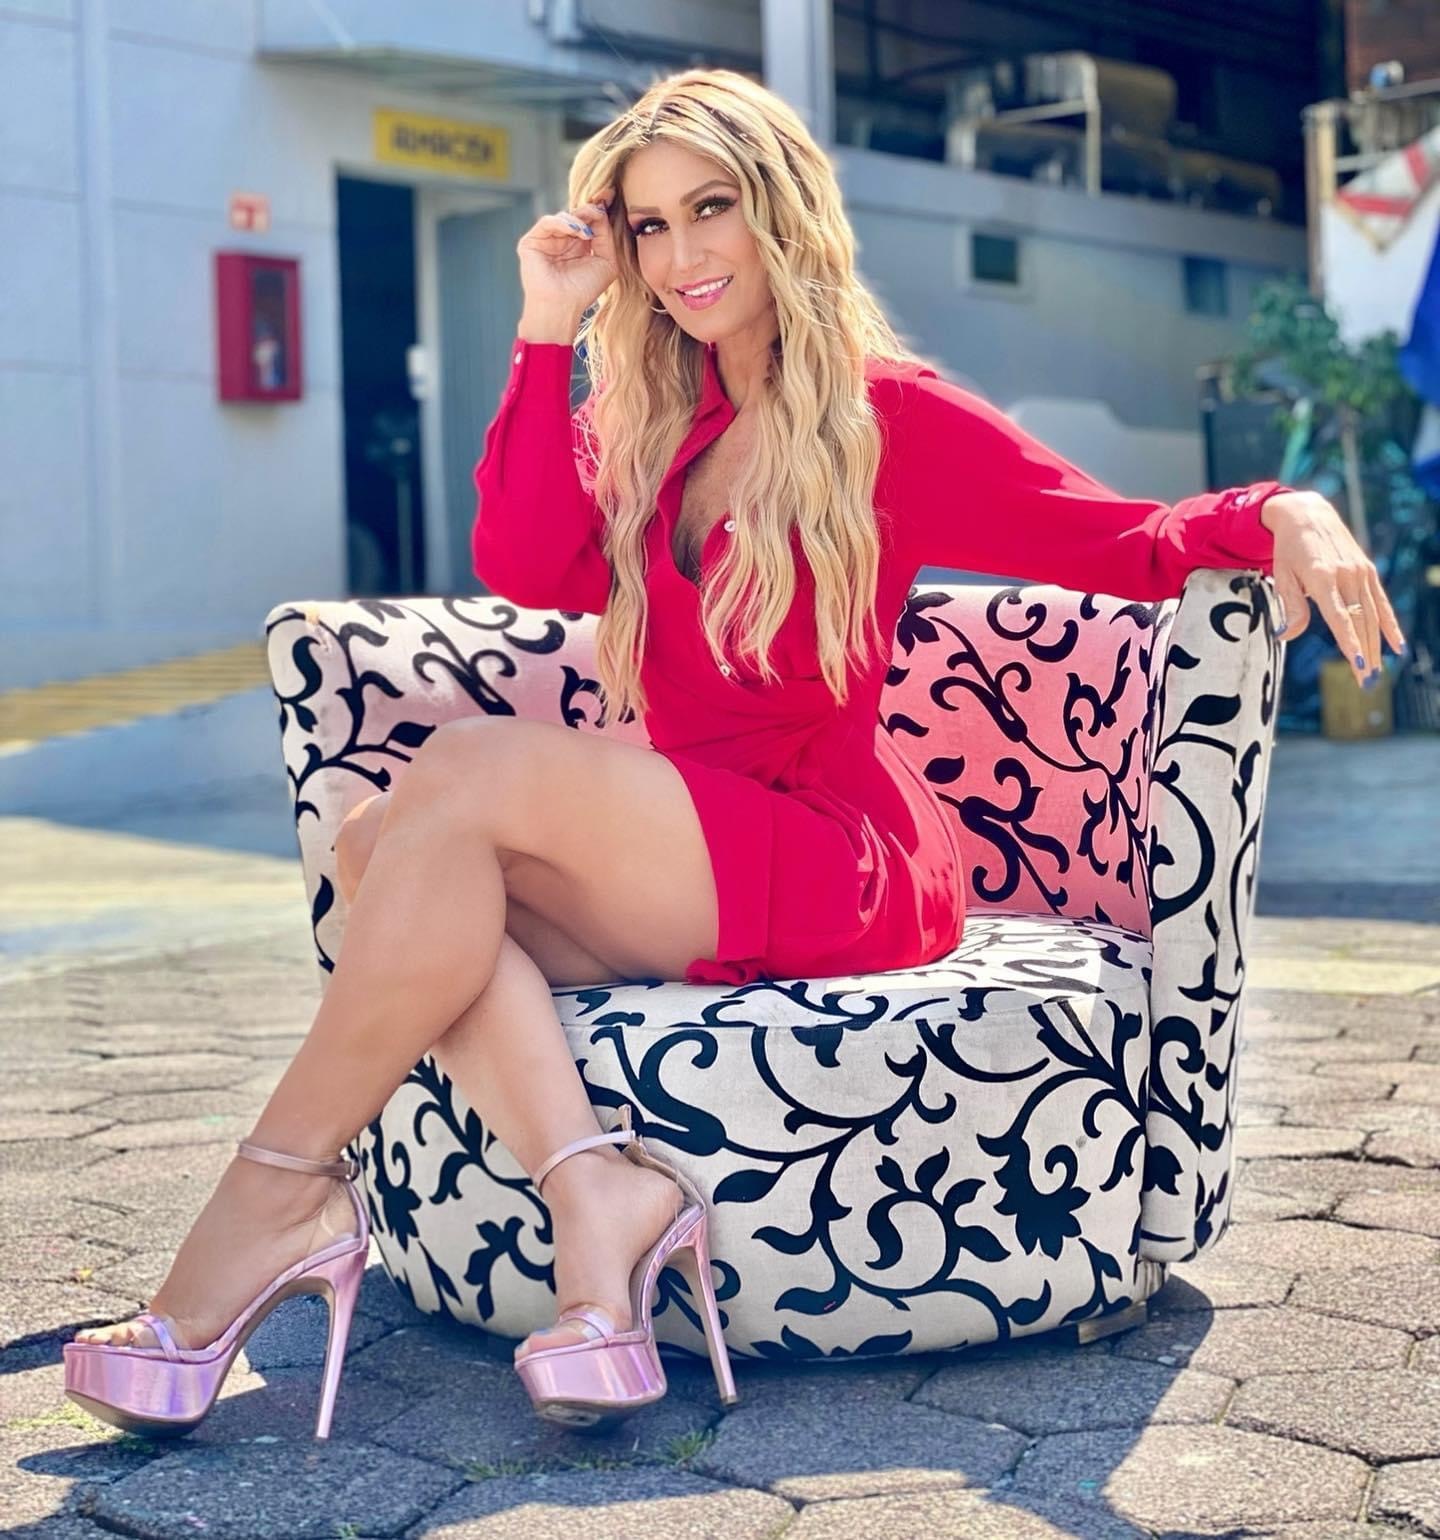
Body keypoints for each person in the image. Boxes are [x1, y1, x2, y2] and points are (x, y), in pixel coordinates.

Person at [63, 66, 1405, 1440]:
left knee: (456, 781)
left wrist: (1284, 508)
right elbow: (524, 562)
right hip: (687, 841)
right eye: (648, 225)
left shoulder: (888, 417)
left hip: (835, 852)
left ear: (782, 211)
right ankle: (596, 1201)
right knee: (377, 850)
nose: (681, 254)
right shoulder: (658, 421)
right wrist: (548, 320)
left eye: (711, 209)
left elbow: (1115, 539)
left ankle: (276, 1200)